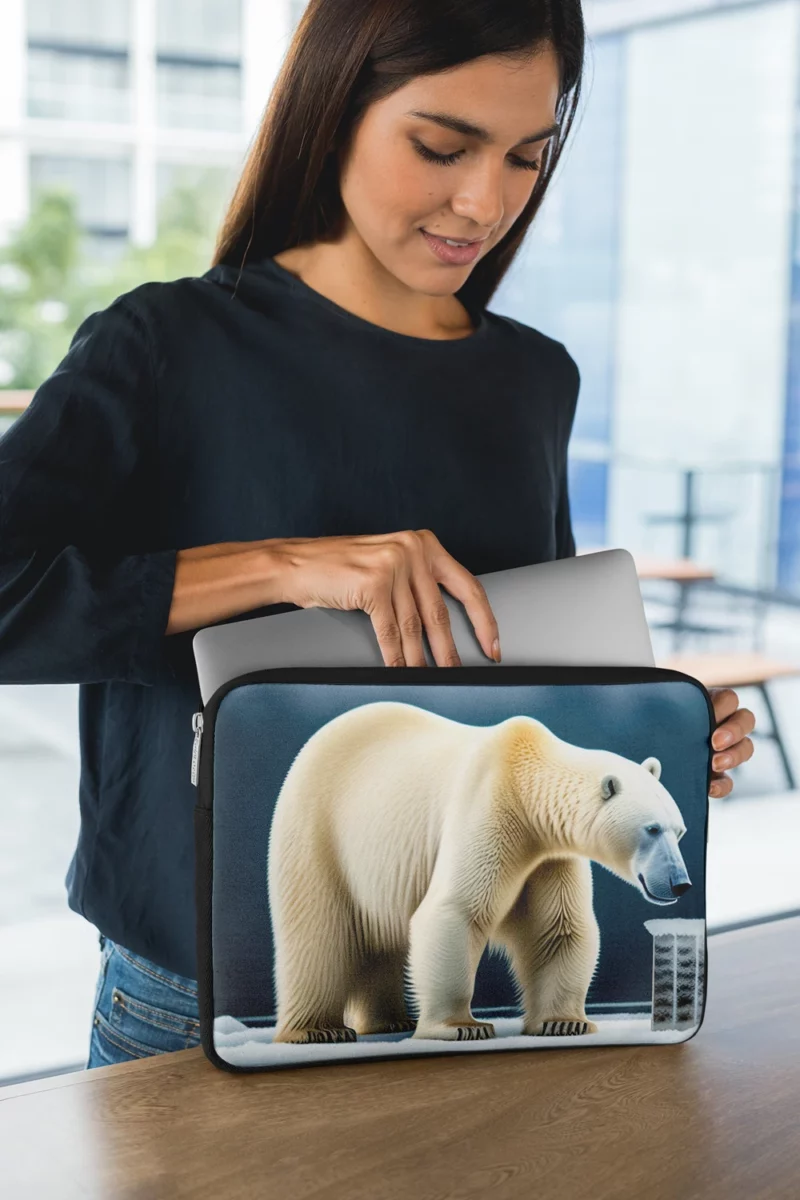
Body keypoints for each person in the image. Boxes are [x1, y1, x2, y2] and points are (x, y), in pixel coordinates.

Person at [0, 0, 755, 1070]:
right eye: (440, 146)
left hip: (466, 1016)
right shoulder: (163, 344)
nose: (482, 201)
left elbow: (520, 666)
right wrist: (287, 567)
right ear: (332, 108)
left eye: (524, 158)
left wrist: (675, 734)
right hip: (192, 1000)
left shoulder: (534, 378)